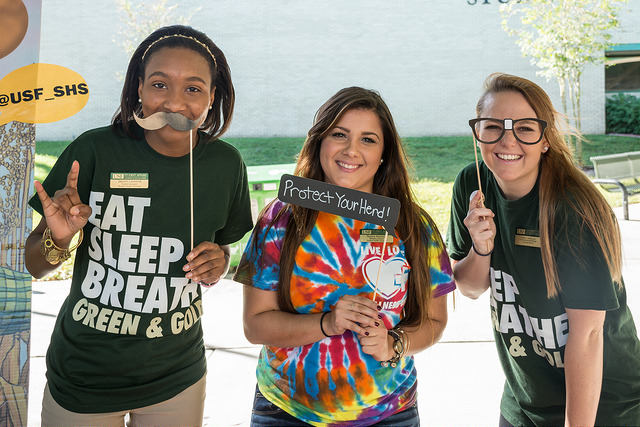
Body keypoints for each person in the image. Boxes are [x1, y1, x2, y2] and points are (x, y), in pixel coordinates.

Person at [25, 25, 253, 426]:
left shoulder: (226, 165)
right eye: (160, 84)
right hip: (84, 375)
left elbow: (223, 249)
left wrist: (219, 261)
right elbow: (35, 265)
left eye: (194, 89)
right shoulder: (93, 151)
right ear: (139, 91)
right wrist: (58, 238)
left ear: (212, 97)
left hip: (177, 376)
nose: (175, 102)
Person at [234, 86, 456, 427]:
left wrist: (395, 343)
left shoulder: (413, 225)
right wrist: (327, 323)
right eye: (340, 134)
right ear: (320, 141)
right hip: (286, 412)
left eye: (368, 139)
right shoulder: (279, 218)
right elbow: (255, 325)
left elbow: (435, 321)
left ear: (384, 154)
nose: (351, 150)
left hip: (389, 414)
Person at [447, 73, 640, 427]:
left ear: (545, 139)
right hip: (525, 401)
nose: (507, 140)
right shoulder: (470, 186)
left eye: (525, 127)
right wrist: (481, 248)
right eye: (493, 127)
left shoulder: (575, 209)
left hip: (603, 406)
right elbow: (469, 287)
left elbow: (588, 334)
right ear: (478, 134)